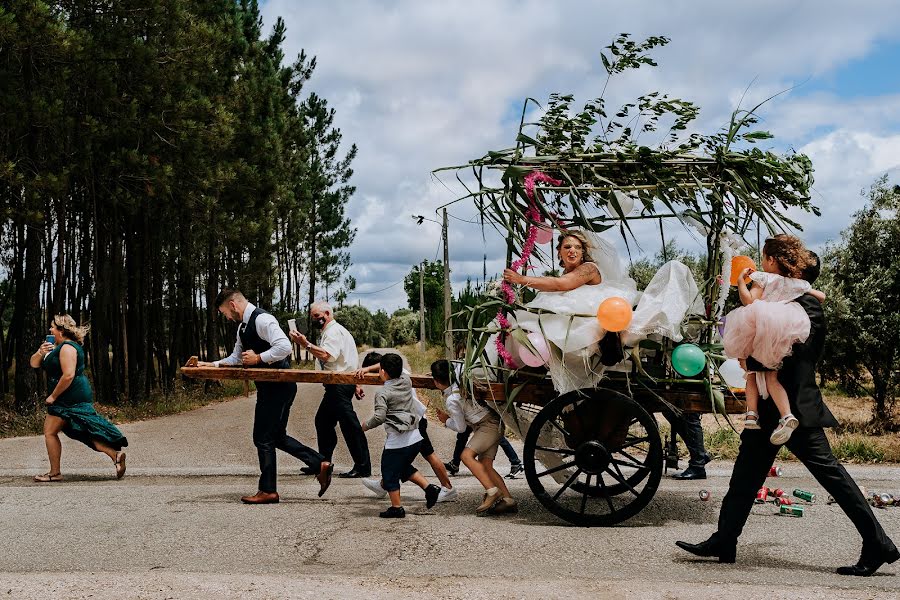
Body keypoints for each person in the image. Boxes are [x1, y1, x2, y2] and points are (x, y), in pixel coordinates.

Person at [676, 252, 899, 576]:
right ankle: (725, 540)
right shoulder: (780, 301)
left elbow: (795, 359)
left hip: (794, 411)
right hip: (767, 410)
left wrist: (752, 361)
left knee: (833, 478)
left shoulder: (809, 307)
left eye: (771, 262)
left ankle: (878, 543)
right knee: (744, 478)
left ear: (788, 270)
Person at [197, 290, 332, 503]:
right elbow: (236, 357)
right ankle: (318, 463)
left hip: (278, 387)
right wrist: (211, 364)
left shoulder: (263, 319)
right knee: (275, 436)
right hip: (270, 388)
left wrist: (259, 357)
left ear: (233, 305)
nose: (227, 317)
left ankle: (268, 490)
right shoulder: (243, 327)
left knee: (262, 437)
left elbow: (285, 347)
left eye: (225, 312)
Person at [502, 230, 638, 394]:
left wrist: (521, 279)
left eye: (577, 247)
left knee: (528, 320)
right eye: (567, 247)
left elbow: (562, 284)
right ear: (559, 252)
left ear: (583, 252)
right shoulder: (565, 273)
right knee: (519, 321)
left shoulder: (589, 269)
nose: (572, 250)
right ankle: (525, 365)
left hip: (586, 327)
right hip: (571, 323)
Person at [724, 234, 826, 445]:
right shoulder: (793, 283)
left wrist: (742, 282)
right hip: (781, 332)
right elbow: (822, 296)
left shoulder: (763, 277)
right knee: (772, 378)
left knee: (751, 374)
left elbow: (749, 301)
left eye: (763, 258)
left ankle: (751, 414)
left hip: (761, 328)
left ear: (771, 260)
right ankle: (786, 415)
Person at [30, 315, 128, 482]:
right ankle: (116, 456)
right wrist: (41, 352)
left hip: (68, 397)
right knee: (84, 431)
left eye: (53, 327)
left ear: (61, 330)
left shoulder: (67, 348)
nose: (50, 330)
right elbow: (34, 364)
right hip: (69, 396)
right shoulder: (55, 347)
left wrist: (53, 396)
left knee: (50, 432)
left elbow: (68, 375)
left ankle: (55, 473)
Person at [355, 351, 457, 502]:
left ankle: (447, 488)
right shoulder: (402, 375)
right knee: (395, 458)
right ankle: (384, 484)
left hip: (413, 421)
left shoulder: (396, 377)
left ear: (383, 371)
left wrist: (368, 369)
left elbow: (379, 416)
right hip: (411, 420)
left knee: (426, 455)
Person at [290, 301, 371, 478]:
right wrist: (356, 383)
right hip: (339, 384)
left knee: (350, 425)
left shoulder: (333, 331)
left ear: (327, 314)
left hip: (339, 385)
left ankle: (363, 466)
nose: (314, 320)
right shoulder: (334, 331)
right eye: (312, 317)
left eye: (317, 317)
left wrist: (306, 344)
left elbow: (327, 355)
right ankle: (323, 463)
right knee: (323, 422)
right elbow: (349, 357)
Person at [432, 359, 517, 515]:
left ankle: (492, 491)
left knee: (466, 455)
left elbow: (461, 428)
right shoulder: (460, 382)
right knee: (485, 465)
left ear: (436, 382)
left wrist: (446, 420)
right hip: (493, 422)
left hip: (488, 426)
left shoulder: (452, 399)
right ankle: (508, 500)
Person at [444, 430, 523, 479]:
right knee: (462, 435)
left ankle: (516, 463)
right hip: (474, 413)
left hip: (481, 414)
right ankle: (455, 464)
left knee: (497, 436)